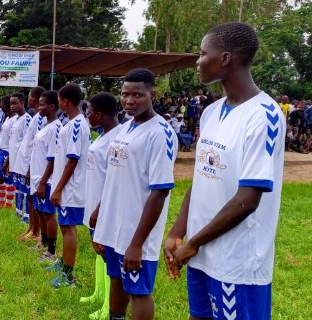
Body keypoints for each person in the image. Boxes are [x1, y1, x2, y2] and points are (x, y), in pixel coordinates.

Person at [164, 22, 286, 320]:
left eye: (203, 53)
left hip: (236, 261)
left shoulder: (263, 116)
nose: (197, 61)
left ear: (226, 58)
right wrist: (179, 231)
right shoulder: (212, 111)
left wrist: (193, 242)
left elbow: (248, 199)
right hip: (200, 252)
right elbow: (202, 176)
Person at [93, 68, 177, 320]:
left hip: (136, 229)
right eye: (125, 94)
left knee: (138, 290)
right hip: (114, 222)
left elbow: (160, 192)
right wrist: (100, 210)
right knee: (116, 278)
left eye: (138, 95)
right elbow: (113, 175)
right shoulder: (125, 127)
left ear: (153, 94)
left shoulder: (160, 133)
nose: (129, 100)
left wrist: (137, 244)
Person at [48, 85, 92, 288]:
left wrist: (58, 188)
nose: (58, 103)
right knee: (65, 226)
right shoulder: (74, 123)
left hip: (71, 188)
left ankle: (68, 276)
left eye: (59, 100)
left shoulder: (76, 125)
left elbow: (72, 160)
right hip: (67, 186)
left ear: (65, 101)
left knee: (68, 228)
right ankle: (64, 265)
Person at [83, 92, 120, 320]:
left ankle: (109, 305)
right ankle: (98, 293)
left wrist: (99, 208)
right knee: (98, 252)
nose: (87, 116)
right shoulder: (102, 135)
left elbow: (114, 180)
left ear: (99, 114)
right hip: (93, 203)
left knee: (108, 256)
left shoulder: (118, 139)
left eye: (89, 112)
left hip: (104, 208)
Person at [30, 90, 62, 266]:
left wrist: (43, 182)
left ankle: (52, 251)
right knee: (41, 212)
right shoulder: (45, 126)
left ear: (52, 107)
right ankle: (42, 242)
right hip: (37, 177)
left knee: (49, 214)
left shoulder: (56, 128)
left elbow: (53, 157)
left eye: (42, 105)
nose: (39, 107)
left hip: (46, 180)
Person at [16, 86, 46, 243]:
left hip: (34, 166)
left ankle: (36, 232)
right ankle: (31, 229)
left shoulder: (41, 118)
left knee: (34, 199)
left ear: (33, 98)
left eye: (29, 96)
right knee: (30, 197)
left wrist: (29, 167)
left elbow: (37, 145)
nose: (28, 99)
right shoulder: (36, 117)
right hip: (28, 164)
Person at [7, 93, 32, 222]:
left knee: (24, 189)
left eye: (15, 103)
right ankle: (18, 213)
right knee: (17, 188)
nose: (12, 106)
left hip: (23, 162)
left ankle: (26, 217)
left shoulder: (27, 119)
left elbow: (28, 143)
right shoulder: (16, 119)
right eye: (11, 103)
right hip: (15, 162)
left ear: (22, 102)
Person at [0, 96, 13, 208]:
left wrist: (10, 158)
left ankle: (8, 205)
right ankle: (1, 204)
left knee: (7, 180)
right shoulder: (6, 119)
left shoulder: (14, 120)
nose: (1, 107)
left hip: (7, 152)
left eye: (2, 105)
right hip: (1, 151)